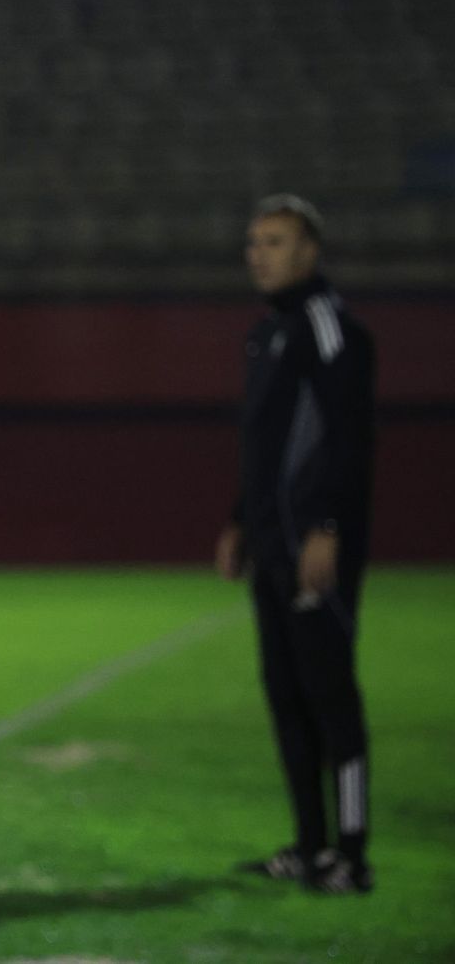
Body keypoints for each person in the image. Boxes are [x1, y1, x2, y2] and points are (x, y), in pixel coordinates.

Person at [216, 194, 376, 894]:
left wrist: (328, 530)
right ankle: (309, 847)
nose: (260, 254)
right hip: (274, 551)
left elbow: (347, 441)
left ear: (310, 250)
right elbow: (264, 447)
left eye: (275, 242)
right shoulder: (267, 333)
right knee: (285, 696)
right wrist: (239, 522)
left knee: (331, 700)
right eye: (254, 242)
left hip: (316, 548)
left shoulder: (329, 328)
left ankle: (351, 853)